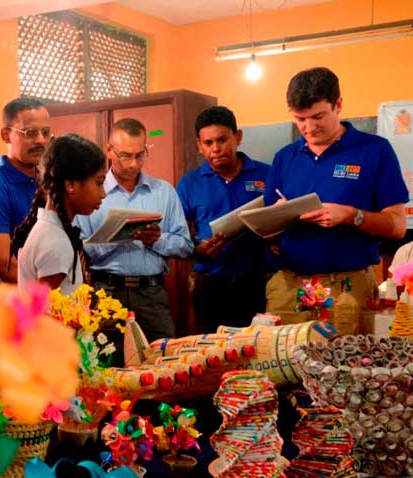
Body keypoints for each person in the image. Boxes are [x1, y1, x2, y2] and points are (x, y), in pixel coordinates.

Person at [264, 67, 408, 332]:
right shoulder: (284, 157)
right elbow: (268, 234)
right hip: (289, 286)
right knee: (283, 368)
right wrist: (274, 217)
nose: (309, 127)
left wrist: (352, 215)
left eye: (318, 116)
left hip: (347, 287)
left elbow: (398, 226)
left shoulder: (374, 150)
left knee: (346, 366)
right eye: (300, 119)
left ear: (338, 104)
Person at [76, 118, 193, 356]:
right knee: (107, 366)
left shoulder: (164, 192)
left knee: (163, 364)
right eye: (125, 155)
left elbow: (186, 246)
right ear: (109, 151)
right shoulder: (92, 192)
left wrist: (157, 240)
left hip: (151, 293)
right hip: (106, 292)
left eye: (140, 155)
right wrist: (117, 237)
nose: (133, 164)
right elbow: (81, 250)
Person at [177, 106, 272, 332]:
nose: (216, 149)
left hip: (259, 281)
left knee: (259, 351)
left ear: (237, 137)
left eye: (222, 140)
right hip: (211, 283)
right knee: (213, 353)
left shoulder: (267, 174)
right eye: (208, 143)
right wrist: (198, 249)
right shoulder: (189, 183)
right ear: (199, 145)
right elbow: (177, 234)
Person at [0, 97, 50, 287]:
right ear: (6, 135)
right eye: (30, 132)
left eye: (45, 132)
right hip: (16, 299)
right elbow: (3, 266)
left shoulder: (46, 180)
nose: (40, 140)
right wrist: (53, 297)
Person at [13, 135, 106, 294]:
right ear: (70, 185)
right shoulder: (55, 241)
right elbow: (39, 312)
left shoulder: (53, 230)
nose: (103, 193)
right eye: (99, 183)